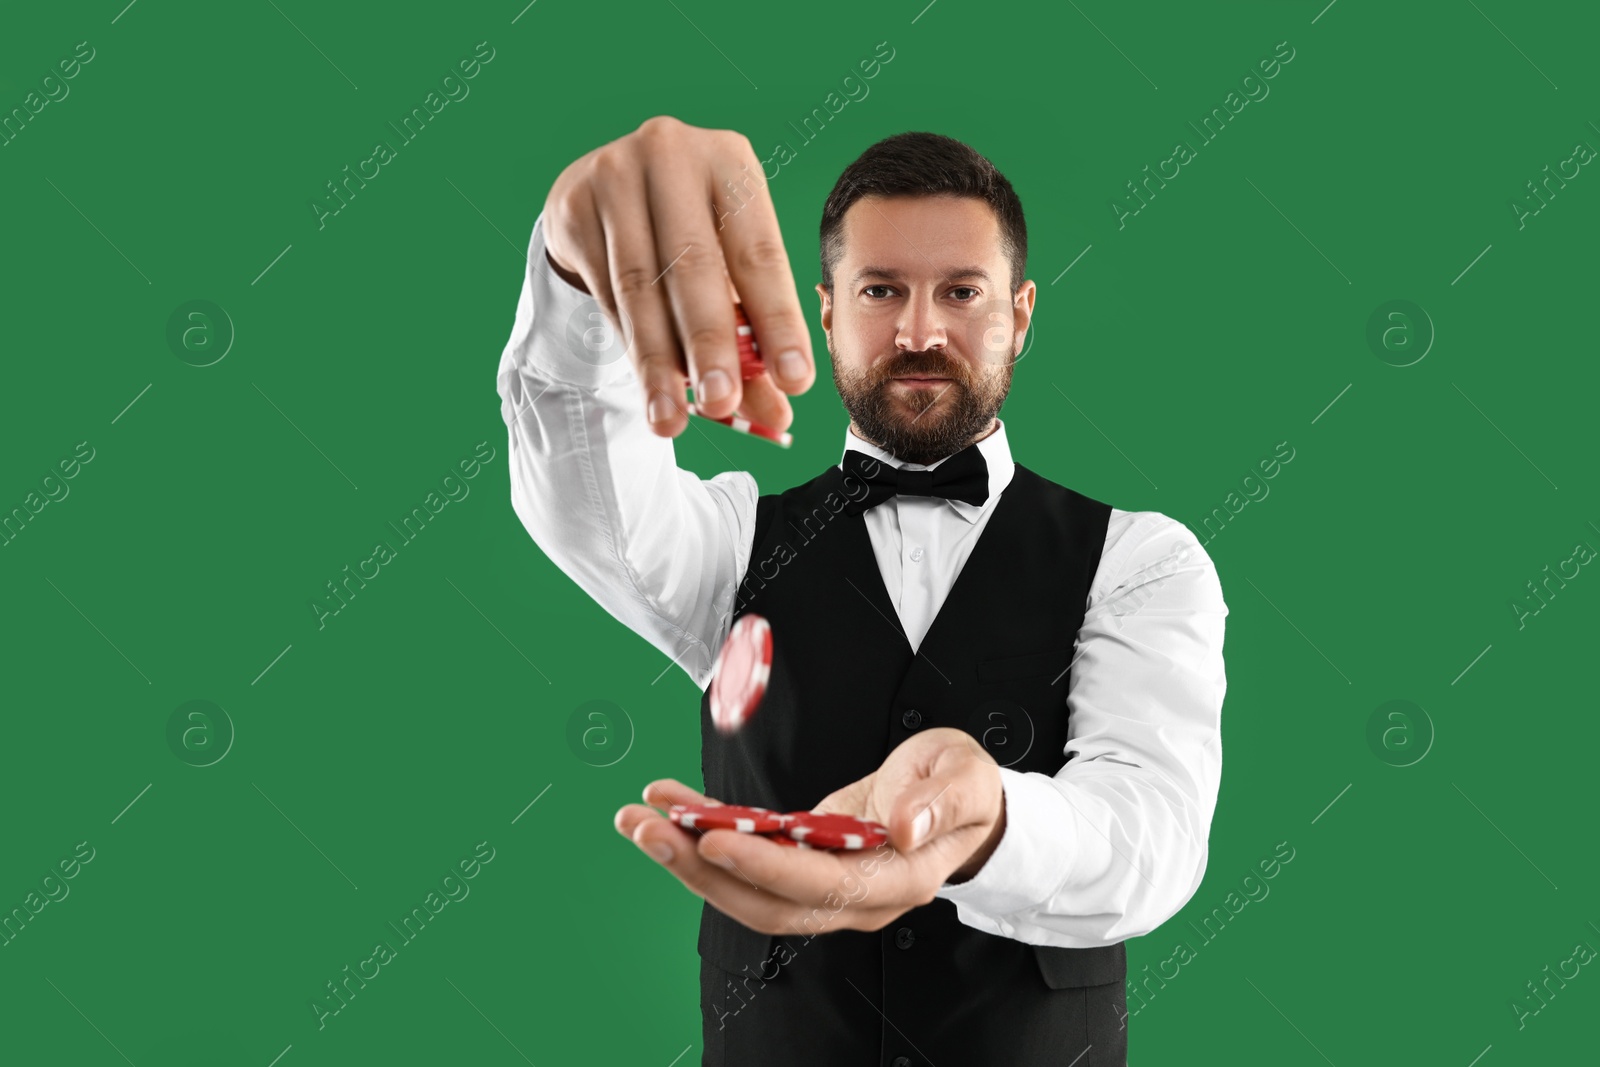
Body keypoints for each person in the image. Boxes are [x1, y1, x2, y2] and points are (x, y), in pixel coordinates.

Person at [495, 115, 1228, 1067]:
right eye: (882, 290)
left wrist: (986, 822)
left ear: (1022, 314)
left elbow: (1153, 835)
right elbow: (581, 496)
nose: (920, 330)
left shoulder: (1140, 560)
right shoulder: (729, 549)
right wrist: (574, 273)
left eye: (962, 291)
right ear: (828, 309)